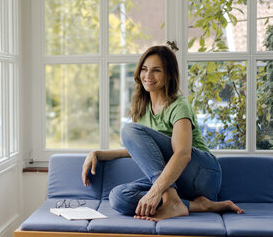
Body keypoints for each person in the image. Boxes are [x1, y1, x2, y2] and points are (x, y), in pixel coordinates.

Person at [81, 45, 244, 221]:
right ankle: (197, 205)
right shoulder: (142, 110)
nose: (148, 76)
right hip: (177, 181)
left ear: (168, 75)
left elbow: (183, 154)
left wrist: (157, 190)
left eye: (156, 70)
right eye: (144, 69)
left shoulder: (178, 106)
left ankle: (171, 199)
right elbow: (141, 150)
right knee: (119, 197)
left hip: (202, 172)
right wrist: (96, 153)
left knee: (129, 130)